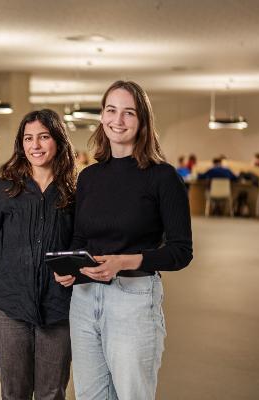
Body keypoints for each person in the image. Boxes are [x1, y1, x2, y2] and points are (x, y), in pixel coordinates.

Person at [55, 80, 193, 400]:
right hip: (85, 298)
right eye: (111, 110)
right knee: (89, 395)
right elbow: (81, 237)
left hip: (133, 298)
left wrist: (124, 262)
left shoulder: (163, 177)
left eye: (128, 113)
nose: (118, 120)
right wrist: (70, 268)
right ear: (102, 117)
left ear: (142, 121)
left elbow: (180, 252)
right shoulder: (88, 176)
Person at [0, 109, 76, 400]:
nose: (36, 145)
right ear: (21, 144)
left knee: (51, 392)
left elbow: (84, 244)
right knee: (13, 393)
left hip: (59, 309)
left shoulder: (74, 192)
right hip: (8, 308)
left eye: (44, 137)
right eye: (28, 138)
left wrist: (77, 272)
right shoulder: (5, 189)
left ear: (58, 141)